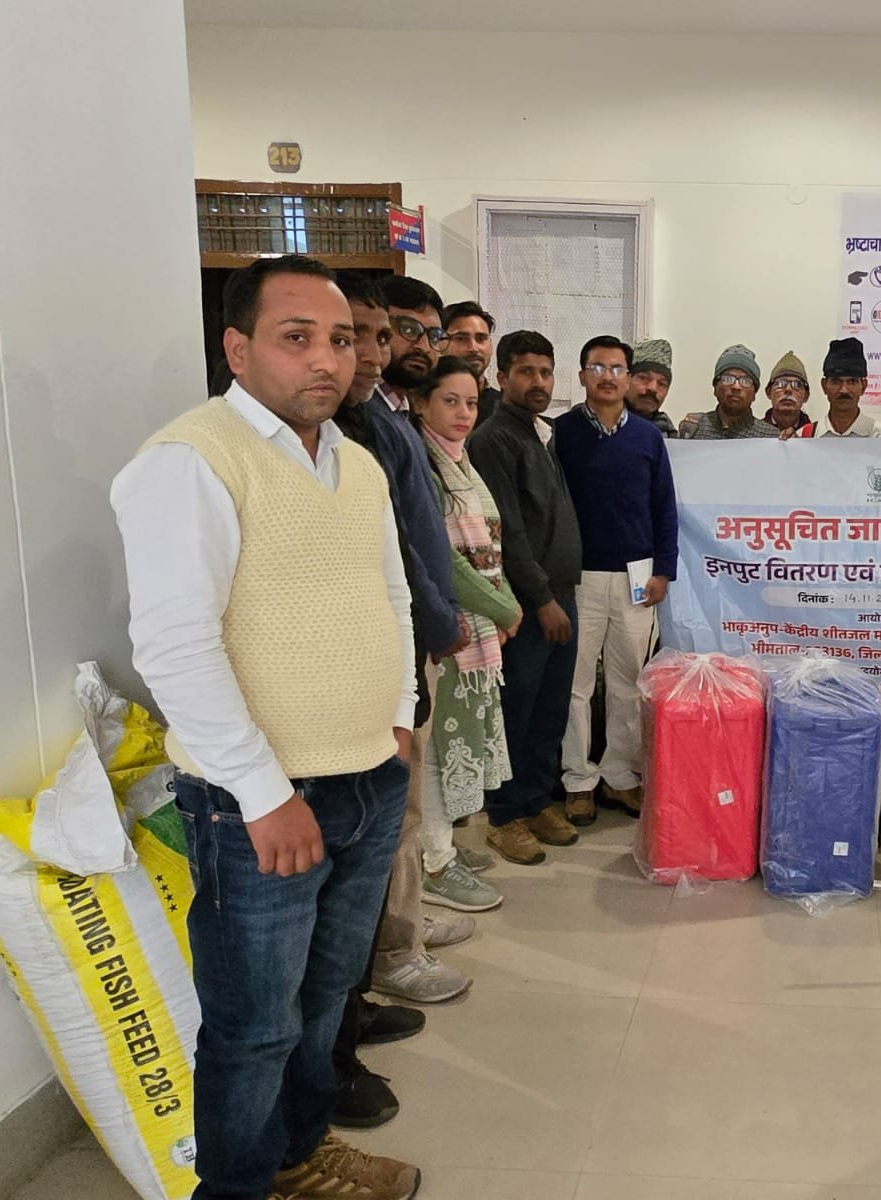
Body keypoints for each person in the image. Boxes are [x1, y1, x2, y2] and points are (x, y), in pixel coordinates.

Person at [111, 255, 421, 1200]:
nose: (327, 359)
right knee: (254, 1027)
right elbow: (176, 646)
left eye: (341, 339)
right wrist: (261, 791)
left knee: (325, 1001)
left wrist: (399, 717)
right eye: (297, 338)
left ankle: (299, 1155)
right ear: (237, 348)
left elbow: (393, 597)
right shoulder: (191, 460)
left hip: (368, 778)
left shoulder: (356, 462)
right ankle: (240, 1186)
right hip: (263, 805)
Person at [366, 275, 475, 1006]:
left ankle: (403, 923)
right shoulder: (365, 422)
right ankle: (392, 953)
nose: (414, 345)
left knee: (405, 807)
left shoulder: (394, 413)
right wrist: (441, 620)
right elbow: (397, 546)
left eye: (427, 334)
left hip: (416, 635)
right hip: (396, 637)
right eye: (400, 329)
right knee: (392, 809)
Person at [470, 331, 586, 854]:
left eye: (545, 372)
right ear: (502, 378)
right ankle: (503, 816)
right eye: (525, 372)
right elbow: (507, 531)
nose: (538, 382)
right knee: (515, 710)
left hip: (561, 593)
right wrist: (541, 599)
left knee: (549, 708)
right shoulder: (493, 439)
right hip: (526, 602)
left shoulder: (540, 434)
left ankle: (537, 800)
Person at [555, 335, 679, 821]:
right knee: (576, 685)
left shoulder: (648, 438)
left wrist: (664, 569)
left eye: (617, 368)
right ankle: (578, 779)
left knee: (629, 684)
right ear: (582, 376)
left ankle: (620, 776)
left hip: (637, 576)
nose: (608, 377)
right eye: (597, 367)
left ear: (628, 377)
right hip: (579, 576)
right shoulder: (562, 434)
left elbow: (664, 508)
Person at [411, 357, 518, 912]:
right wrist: (502, 608)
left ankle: (443, 845)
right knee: (436, 748)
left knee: (461, 740)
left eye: (471, 402)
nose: (463, 413)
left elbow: (490, 548)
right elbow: (444, 560)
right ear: (421, 403)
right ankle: (434, 862)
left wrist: (502, 607)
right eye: (449, 401)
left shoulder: (461, 462)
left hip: (476, 625)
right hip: (447, 629)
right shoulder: (423, 466)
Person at [679, 345, 780, 438]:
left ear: (754, 393)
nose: (736, 387)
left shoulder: (770, 437)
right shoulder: (693, 428)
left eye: (745, 381)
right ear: (715, 388)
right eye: (728, 379)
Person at [819, 337, 881, 437]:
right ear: (824, 386)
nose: (844, 390)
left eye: (852, 382)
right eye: (836, 382)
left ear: (863, 386)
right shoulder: (807, 437)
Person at [443, 300, 501, 428]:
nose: (473, 348)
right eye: (461, 338)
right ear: (440, 343)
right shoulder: (422, 400)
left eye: (481, 339)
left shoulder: (504, 407)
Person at [627, 336, 677, 437]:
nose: (653, 388)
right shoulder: (599, 422)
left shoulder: (666, 431)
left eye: (662, 384)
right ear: (626, 380)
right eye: (643, 378)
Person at [763, 351, 817, 437]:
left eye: (797, 385)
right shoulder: (753, 435)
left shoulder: (816, 436)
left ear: (806, 396)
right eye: (780, 384)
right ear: (768, 392)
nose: (788, 389)